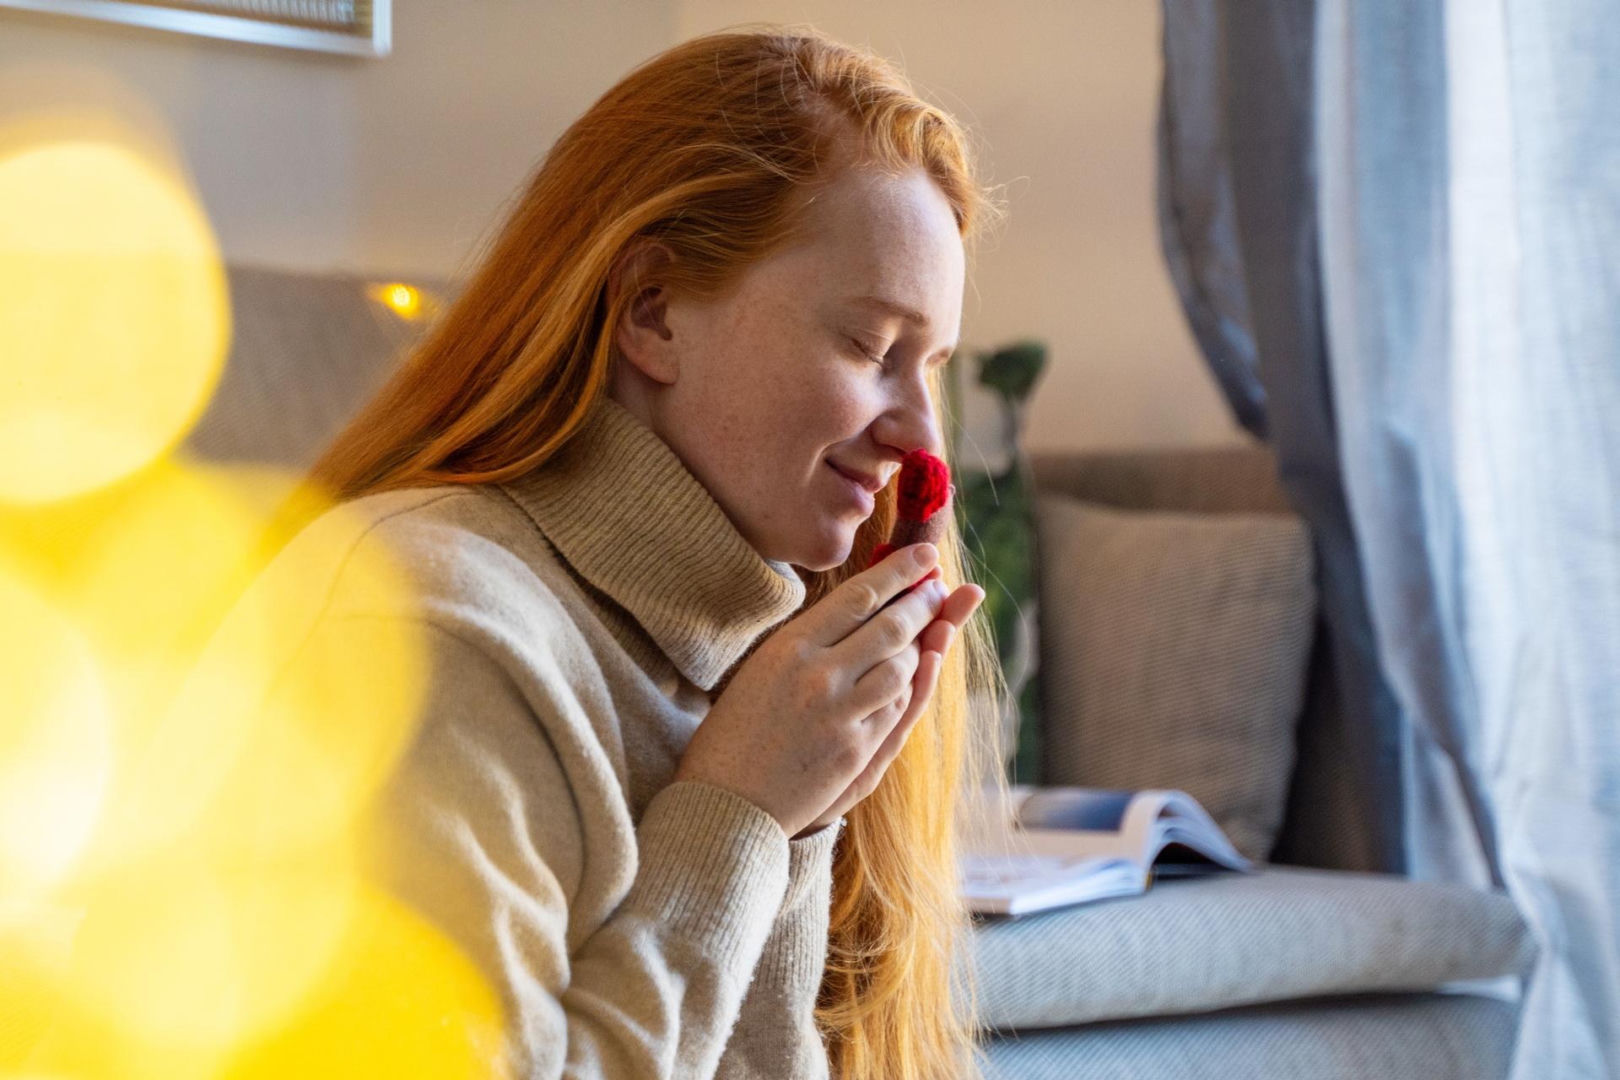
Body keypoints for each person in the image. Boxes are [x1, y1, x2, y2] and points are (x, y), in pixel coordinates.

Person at [298, 23, 1003, 1079]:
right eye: (869, 346)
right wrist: (741, 820)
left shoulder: (767, 675)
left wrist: (794, 819)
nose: (924, 440)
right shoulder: (424, 627)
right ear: (653, 311)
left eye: (931, 366)